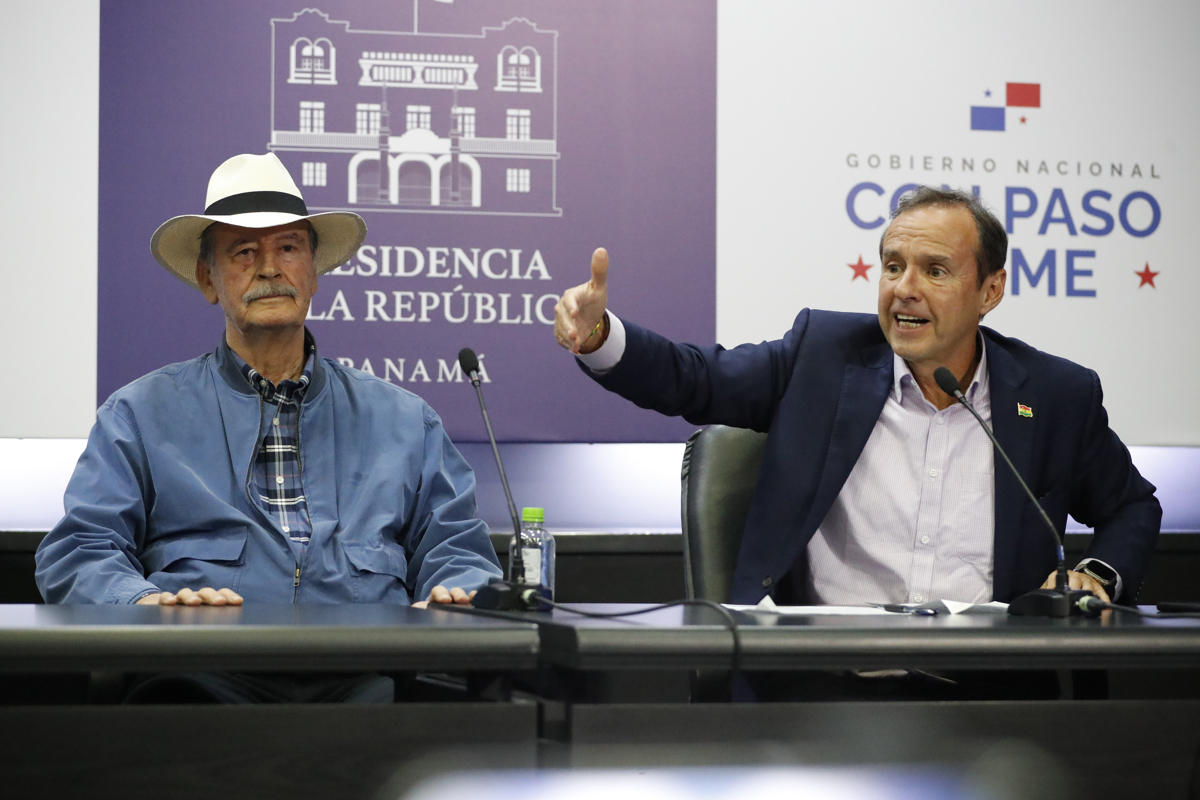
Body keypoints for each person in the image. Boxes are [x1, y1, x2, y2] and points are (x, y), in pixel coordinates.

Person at [554, 187, 1160, 614]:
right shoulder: (822, 356)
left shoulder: (1055, 396)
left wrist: (1099, 576)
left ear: (991, 290)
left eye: (936, 271)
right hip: (823, 674)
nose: (904, 289)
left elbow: (1132, 507)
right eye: (893, 266)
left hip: (990, 682)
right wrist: (605, 338)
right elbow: (696, 378)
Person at [36, 153, 501, 614]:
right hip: (199, 671)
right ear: (208, 279)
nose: (270, 268)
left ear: (313, 272)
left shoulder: (405, 421)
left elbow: (458, 550)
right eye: (243, 251)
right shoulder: (139, 415)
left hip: (366, 673)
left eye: (289, 247)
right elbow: (80, 551)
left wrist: (456, 594)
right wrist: (147, 603)